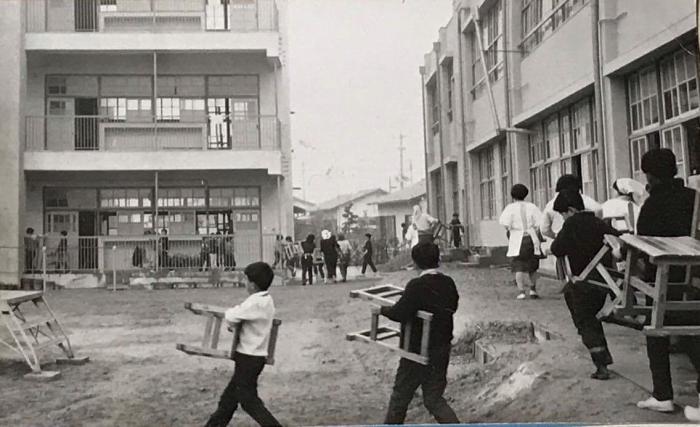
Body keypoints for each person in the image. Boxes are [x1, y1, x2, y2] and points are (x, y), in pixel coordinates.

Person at [631, 148, 700, 421]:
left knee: (657, 332)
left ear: (651, 176)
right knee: (693, 331)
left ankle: (663, 395)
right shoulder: (694, 198)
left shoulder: (652, 205)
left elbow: (644, 244)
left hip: (662, 278)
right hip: (693, 276)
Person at [380, 242, 460, 424]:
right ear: (438, 259)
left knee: (400, 397)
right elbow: (453, 306)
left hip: (416, 350)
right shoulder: (448, 282)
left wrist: (381, 310)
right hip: (441, 348)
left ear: (415, 262)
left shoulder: (416, 285)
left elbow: (399, 313)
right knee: (434, 399)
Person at [549, 189, 621, 380]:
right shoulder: (598, 222)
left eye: (563, 213)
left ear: (571, 210)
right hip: (603, 281)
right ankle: (604, 357)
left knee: (584, 322)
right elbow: (617, 238)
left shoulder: (571, 225)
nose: (563, 217)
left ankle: (601, 365)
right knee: (592, 318)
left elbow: (557, 248)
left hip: (581, 281)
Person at [205, 262, 281, 427]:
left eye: (246, 281)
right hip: (254, 357)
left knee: (248, 401)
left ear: (253, 285)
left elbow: (232, 316)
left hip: (248, 357)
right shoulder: (267, 300)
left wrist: (230, 315)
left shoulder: (255, 302)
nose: (245, 284)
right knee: (229, 400)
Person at [541, 174, 603, 280]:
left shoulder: (551, 204)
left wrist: (556, 236)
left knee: (566, 271)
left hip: (565, 249)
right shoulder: (590, 202)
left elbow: (544, 229)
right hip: (593, 248)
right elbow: (599, 213)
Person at [499, 184, 544, 300]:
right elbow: (539, 222)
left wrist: (511, 229)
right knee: (532, 266)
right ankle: (533, 290)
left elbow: (505, 223)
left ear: (512, 195)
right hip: (531, 237)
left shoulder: (510, 208)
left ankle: (521, 291)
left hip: (517, 238)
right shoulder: (532, 207)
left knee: (518, 265)